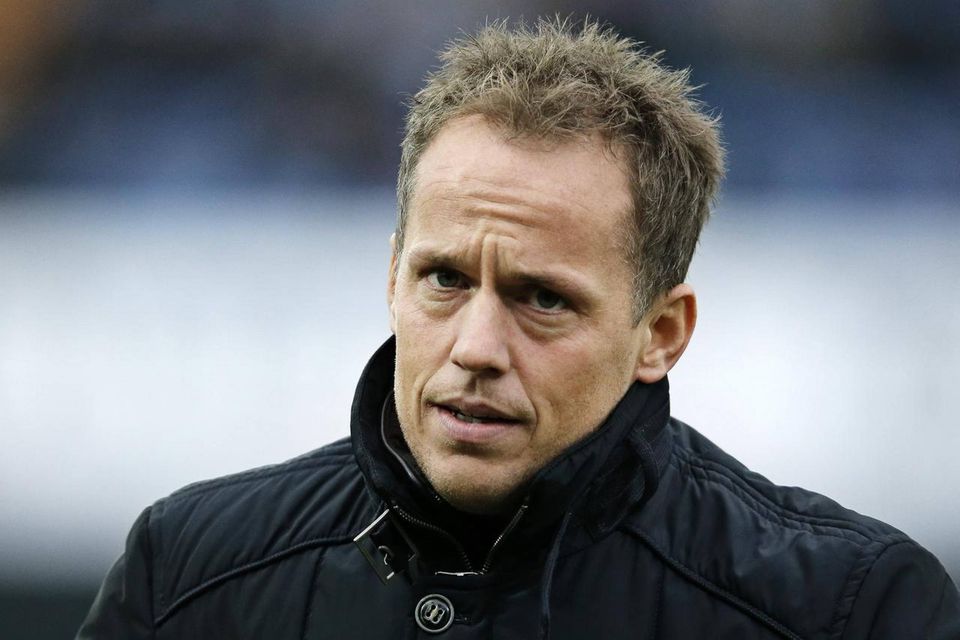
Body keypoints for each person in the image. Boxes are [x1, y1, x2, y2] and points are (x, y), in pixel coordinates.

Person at [77, 19, 960, 639]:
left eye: (542, 299)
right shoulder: (187, 574)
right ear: (392, 276)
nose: (476, 348)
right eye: (444, 279)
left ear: (662, 332)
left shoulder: (849, 609)